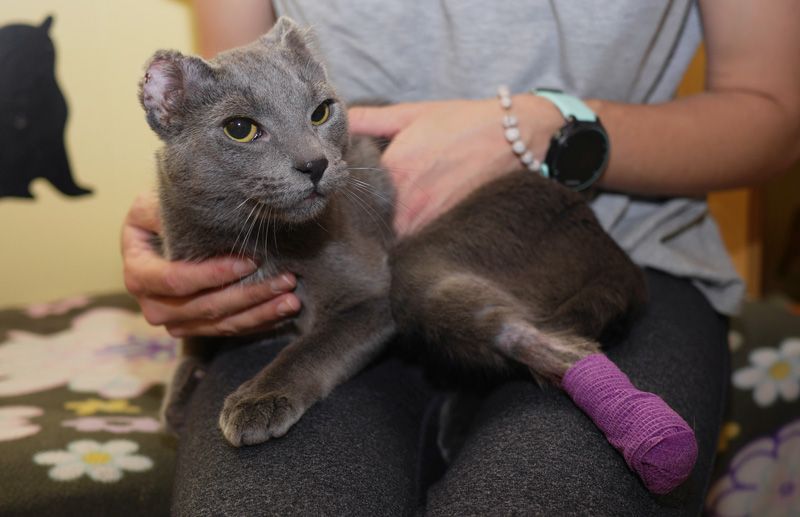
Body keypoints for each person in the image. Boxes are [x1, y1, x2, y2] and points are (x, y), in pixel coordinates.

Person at [121, 1, 800, 515]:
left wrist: (548, 126)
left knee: (536, 497)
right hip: (315, 271)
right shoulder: (290, 152)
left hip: (606, 242)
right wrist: (189, 275)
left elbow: (776, 114)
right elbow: (233, 94)